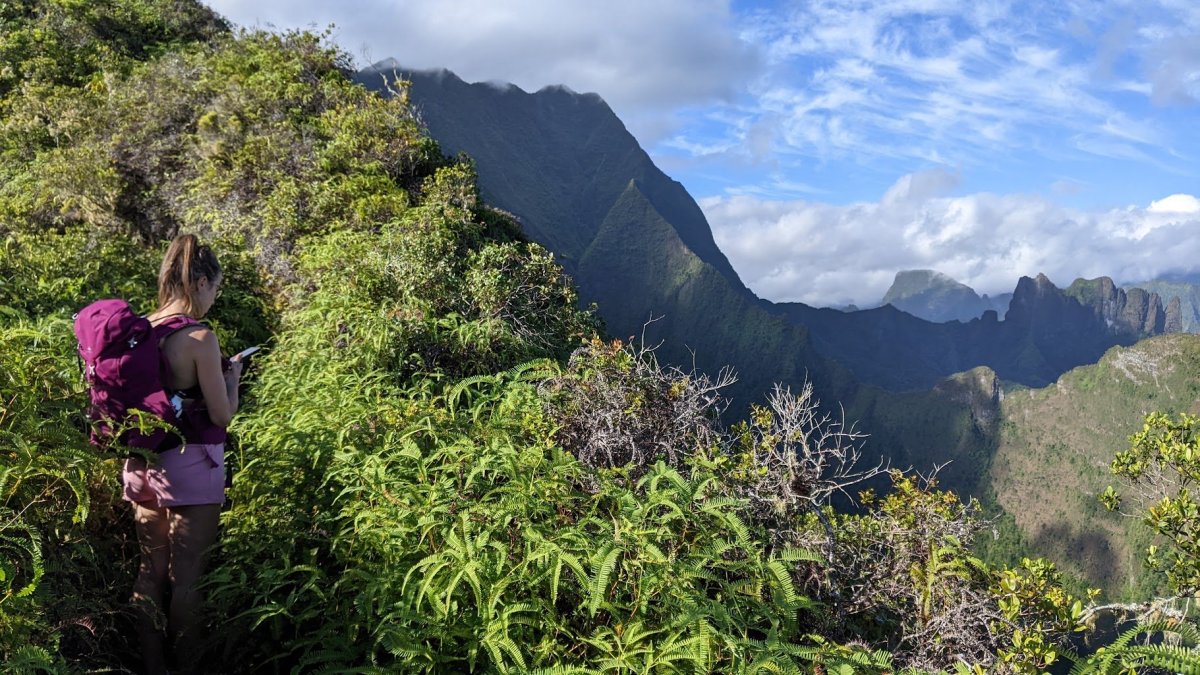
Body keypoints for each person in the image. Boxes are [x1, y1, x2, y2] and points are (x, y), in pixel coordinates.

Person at [123, 234, 243, 674]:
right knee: (187, 578)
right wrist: (232, 380)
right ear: (198, 282)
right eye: (215, 287)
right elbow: (221, 415)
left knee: (149, 571)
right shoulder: (199, 337)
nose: (214, 297)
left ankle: (153, 667)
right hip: (192, 467)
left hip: (142, 464)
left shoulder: (141, 328)